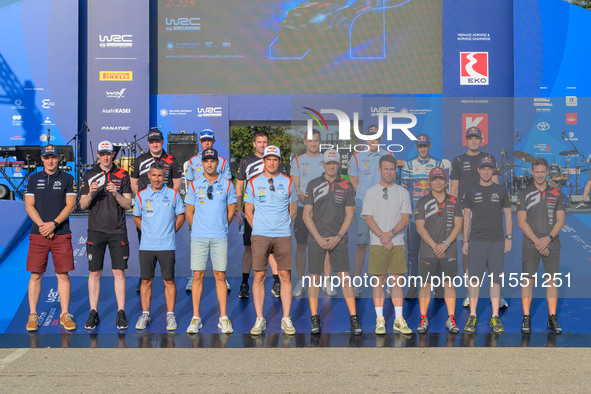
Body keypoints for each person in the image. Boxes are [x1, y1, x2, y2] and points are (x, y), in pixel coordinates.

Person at [303, 149, 362, 335]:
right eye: (328, 163)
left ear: (339, 164)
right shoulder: (313, 184)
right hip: (316, 239)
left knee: (345, 279)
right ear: (323, 164)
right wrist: (319, 238)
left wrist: (338, 237)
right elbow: (306, 215)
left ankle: (354, 319)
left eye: (335, 163)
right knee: (314, 279)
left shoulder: (346, 185)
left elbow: (350, 215)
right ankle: (314, 318)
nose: (331, 166)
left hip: (338, 239)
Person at [244, 145, 298, 335]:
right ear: (264, 161)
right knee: (259, 276)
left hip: (282, 234)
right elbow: (248, 211)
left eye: (275, 159)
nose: (272, 162)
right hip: (260, 235)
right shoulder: (252, 183)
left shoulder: (288, 182)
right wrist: (259, 227)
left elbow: (294, 209)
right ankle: (260, 319)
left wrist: (281, 224)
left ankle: (286, 318)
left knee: (285, 276)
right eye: (269, 159)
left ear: (279, 161)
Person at [449, 126, 505, 309]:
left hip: (487, 211)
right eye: (470, 138)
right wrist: (454, 211)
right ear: (466, 140)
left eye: (477, 138)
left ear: (481, 140)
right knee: (467, 249)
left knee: (492, 250)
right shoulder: (458, 160)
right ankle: (468, 290)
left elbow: (496, 187)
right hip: (467, 211)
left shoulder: (489, 159)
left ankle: (497, 291)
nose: (474, 141)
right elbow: (454, 190)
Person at [79, 141, 132, 330]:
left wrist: (116, 193)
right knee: (94, 272)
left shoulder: (122, 174)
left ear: (113, 154)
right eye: (102, 154)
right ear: (98, 154)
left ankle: (121, 312)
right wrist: (91, 194)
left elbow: (128, 204)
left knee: (119, 272)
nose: (106, 157)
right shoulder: (90, 175)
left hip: (118, 230)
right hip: (96, 230)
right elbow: (83, 205)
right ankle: (93, 312)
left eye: (108, 153)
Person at [24, 145, 77, 332]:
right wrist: (43, 226)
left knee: (62, 275)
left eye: (53, 157)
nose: (50, 161)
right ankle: (33, 315)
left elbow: (70, 205)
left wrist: (53, 224)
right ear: (42, 159)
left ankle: (65, 314)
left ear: (59, 158)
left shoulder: (68, 178)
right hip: (39, 233)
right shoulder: (33, 179)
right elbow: (29, 206)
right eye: (47, 158)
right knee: (36, 274)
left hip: (61, 233)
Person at [184, 149, 237, 334]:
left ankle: (223, 317)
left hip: (219, 236)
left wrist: (221, 225)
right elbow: (189, 212)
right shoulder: (194, 184)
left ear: (217, 163)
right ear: (202, 163)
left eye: (212, 161)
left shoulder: (228, 185)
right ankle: (196, 317)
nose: (209, 164)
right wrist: (198, 227)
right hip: (199, 236)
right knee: (197, 275)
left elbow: (231, 210)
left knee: (220, 276)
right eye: (205, 161)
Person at [462, 154, 512, 333]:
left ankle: (495, 316)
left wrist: (508, 237)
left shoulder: (501, 190)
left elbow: (508, 215)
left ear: (493, 170)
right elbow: (466, 216)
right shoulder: (471, 190)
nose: (486, 171)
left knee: (495, 280)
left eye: (489, 168)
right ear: (478, 170)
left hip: (497, 241)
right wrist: (465, 240)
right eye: (483, 168)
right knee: (474, 280)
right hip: (476, 241)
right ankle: (473, 316)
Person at [362, 155, 412, 334]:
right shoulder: (371, 192)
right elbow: (369, 218)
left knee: (397, 282)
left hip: (397, 243)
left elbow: (405, 219)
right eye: (386, 169)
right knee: (379, 282)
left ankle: (399, 319)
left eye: (392, 169)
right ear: (379, 170)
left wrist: (389, 235)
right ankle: (380, 320)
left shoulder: (403, 192)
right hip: (377, 244)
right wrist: (382, 238)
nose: (389, 172)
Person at [133, 162, 185, 331]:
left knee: (168, 280)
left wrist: (170, 232)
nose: (157, 179)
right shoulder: (141, 195)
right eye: (154, 175)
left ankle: (170, 315)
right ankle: (145, 314)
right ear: (149, 176)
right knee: (146, 280)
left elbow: (181, 217)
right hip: (147, 245)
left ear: (165, 177)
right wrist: (148, 231)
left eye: (160, 176)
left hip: (167, 245)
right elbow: (137, 217)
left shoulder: (173, 194)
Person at [517, 157, 565, 334]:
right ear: (532, 172)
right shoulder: (524, 193)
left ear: (547, 172)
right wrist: (538, 241)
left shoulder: (557, 193)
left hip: (552, 244)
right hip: (531, 244)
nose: (539, 175)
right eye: (536, 172)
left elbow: (561, 221)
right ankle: (526, 318)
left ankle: (552, 318)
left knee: (552, 281)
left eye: (542, 172)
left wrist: (548, 238)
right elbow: (521, 222)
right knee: (528, 281)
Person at [131, 129, 182, 292]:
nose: (155, 144)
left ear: (162, 142)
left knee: (166, 253)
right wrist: (144, 199)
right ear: (148, 143)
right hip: (147, 210)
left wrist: (167, 202)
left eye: (158, 141)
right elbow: (133, 183)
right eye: (152, 141)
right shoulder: (140, 160)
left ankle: (166, 277)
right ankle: (144, 277)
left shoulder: (171, 160)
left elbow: (177, 183)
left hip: (165, 209)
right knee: (144, 245)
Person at [235, 130, 285, 299]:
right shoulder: (246, 161)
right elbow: (240, 185)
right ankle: (244, 284)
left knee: (271, 249)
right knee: (249, 248)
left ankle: (277, 282)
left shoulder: (276, 161)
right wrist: (239, 207)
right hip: (252, 212)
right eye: (259, 142)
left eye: (265, 142)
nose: (262, 145)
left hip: (272, 213)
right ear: (254, 144)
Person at [414, 167, 463, 334]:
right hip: (429, 251)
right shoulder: (422, 202)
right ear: (429, 182)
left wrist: (446, 244)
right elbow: (420, 228)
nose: (438, 182)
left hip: (448, 251)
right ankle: (423, 318)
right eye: (434, 179)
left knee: (449, 284)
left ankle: (451, 319)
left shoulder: (455, 201)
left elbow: (458, 225)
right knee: (426, 284)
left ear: (446, 181)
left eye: (441, 179)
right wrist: (435, 246)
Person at [185, 129, 231, 292]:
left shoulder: (223, 162)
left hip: (217, 215)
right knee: (198, 254)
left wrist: (224, 221)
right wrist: (195, 222)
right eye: (204, 140)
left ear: (213, 142)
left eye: (209, 140)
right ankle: (193, 277)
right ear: (200, 142)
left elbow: (227, 193)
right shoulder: (191, 161)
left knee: (220, 261)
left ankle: (223, 280)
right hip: (199, 214)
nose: (206, 143)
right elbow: (190, 186)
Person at [348, 124, 392, 297]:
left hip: (385, 206)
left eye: (376, 136)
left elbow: (391, 179)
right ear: (365, 139)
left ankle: (389, 283)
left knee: (386, 244)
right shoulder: (357, 157)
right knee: (361, 245)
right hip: (363, 207)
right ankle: (357, 282)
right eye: (369, 136)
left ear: (380, 139)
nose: (372, 139)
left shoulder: (388, 155)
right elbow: (354, 182)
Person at [401, 133, 444, 299]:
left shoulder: (438, 163)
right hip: (414, 216)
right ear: (416, 147)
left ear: (429, 146)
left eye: (425, 145)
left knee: (438, 250)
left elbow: (443, 189)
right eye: (420, 146)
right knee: (412, 252)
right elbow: (405, 191)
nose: (423, 148)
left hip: (434, 215)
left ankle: (438, 287)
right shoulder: (408, 164)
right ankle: (412, 287)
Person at [291, 129, 333, 297]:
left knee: (326, 246)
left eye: (316, 140)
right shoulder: (298, 161)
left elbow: (331, 183)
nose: (313, 144)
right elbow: (296, 187)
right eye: (310, 141)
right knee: (301, 246)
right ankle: (301, 282)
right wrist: (309, 205)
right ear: (305, 142)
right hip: (303, 210)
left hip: (324, 211)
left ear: (319, 141)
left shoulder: (326, 160)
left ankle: (327, 281)